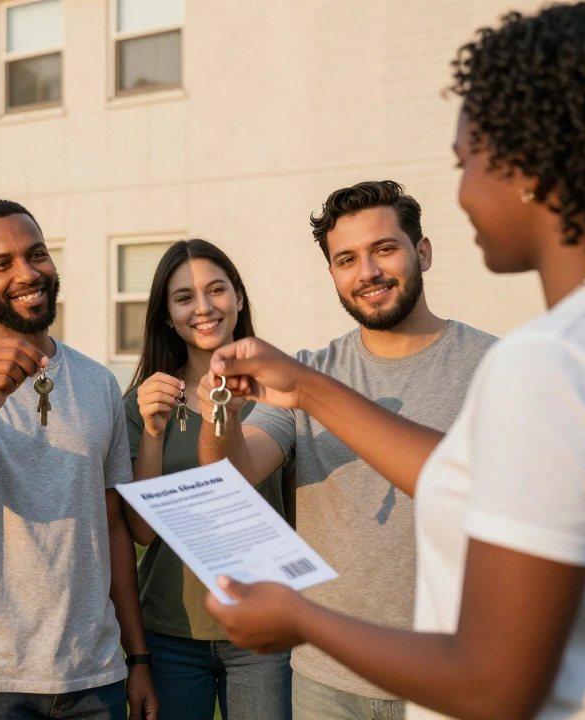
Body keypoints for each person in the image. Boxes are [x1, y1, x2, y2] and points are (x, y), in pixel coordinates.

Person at [202, 3, 585, 718]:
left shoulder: (546, 364)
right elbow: (468, 484)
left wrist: (299, 619)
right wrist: (311, 389)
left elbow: (493, 683)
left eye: (466, 161)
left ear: (531, 164)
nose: (463, 191)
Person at [196, 180, 497, 720]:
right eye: (346, 259)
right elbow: (232, 474)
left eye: (384, 249)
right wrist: (223, 414)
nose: (368, 273)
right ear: (332, 274)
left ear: (422, 252)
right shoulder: (307, 371)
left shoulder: (494, 367)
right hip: (326, 679)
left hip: (449, 669)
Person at [0, 199, 158, 720]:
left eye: (36, 254)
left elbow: (111, 528)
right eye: (2, 264)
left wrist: (137, 657)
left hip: (93, 672)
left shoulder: (98, 382)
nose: (27, 273)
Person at [122, 239, 292, 720]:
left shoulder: (281, 390)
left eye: (216, 289)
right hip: (171, 632)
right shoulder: (144, 402)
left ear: (238, 297)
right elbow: (141, 532)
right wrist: (153, 433)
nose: (203, 307)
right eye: (183, 297)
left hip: (264, 626)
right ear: (166, 316)